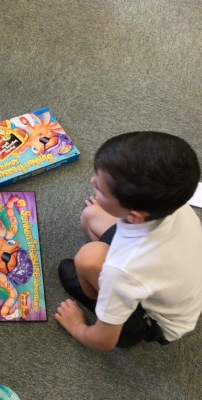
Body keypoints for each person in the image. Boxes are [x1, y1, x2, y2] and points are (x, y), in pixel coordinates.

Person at [55, 131, 202, 352]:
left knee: (86, 258)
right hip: (172, 277)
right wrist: (111, 206)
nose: (92, 181)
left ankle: (99, 299)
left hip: (155, 322)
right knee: (90, 216)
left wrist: (78, 328)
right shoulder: (172, 201)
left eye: (100, 189)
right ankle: (108, 289)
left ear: (133, 216)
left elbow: (103, 342)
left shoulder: (122, 271)